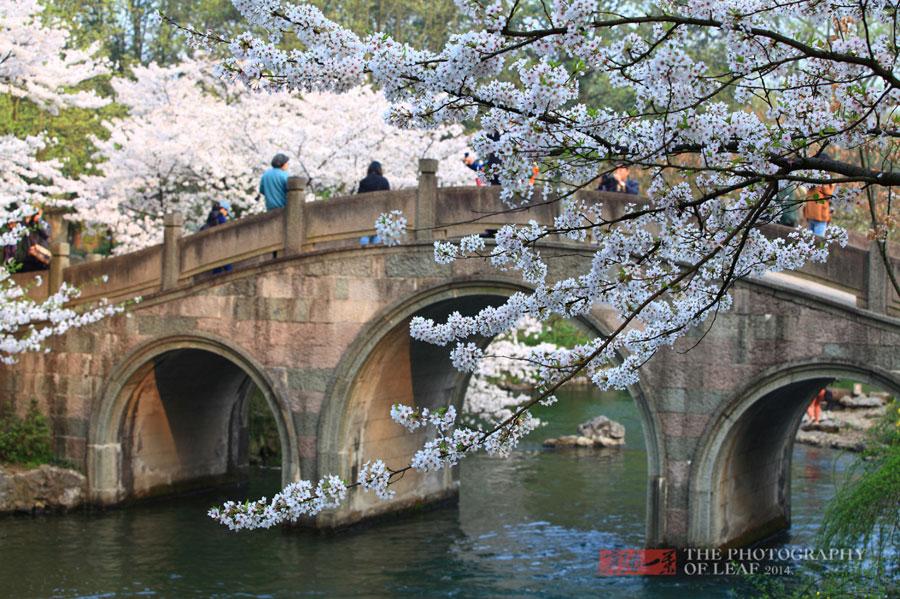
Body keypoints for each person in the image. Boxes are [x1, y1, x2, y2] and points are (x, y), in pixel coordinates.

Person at [202, 200, 233, 274]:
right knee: (226, 260)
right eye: (226, 212)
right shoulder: (220, 217)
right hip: (219, 244)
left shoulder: (211, 216)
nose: (226, 215)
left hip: (211, 245)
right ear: (222, 209)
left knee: (217, 264)